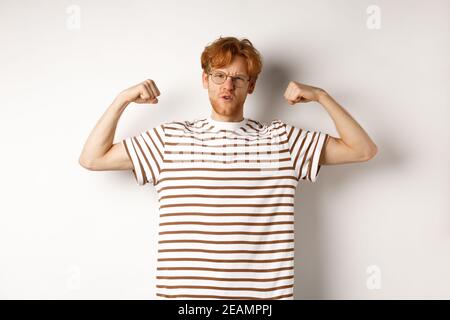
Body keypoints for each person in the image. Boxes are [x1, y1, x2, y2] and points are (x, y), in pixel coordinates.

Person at [79, 36, 377, 300]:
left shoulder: (281, 139)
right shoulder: (170, 138)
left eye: (238, 78)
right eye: (219, 75)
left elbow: (362, 150)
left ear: (252, 86)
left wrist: (322, 97)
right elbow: (93, 158)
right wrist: (122, 100)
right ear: (205, 80)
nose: (228, 85)